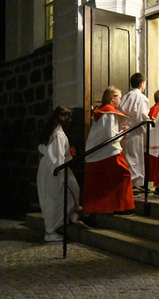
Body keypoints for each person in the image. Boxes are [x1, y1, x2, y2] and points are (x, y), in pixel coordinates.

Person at [81, 86, 135, 226]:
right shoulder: (109, 113)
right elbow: (109, 136)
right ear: (112, 98)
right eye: (119, 97)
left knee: (99, 184)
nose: (120, 99)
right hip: (109, 152)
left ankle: (95, 212)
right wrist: (123, 134)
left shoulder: (100, 111)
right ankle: (122, 207)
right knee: (124, 175)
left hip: (95, 152)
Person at [37, 105, 80, 242]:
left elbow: (44, 148)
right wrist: (59, 175)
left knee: (54, 199)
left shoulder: (52, 131)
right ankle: (51, 230)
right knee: (58, 198)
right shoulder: (58, 134)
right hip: (55, 170)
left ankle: (63, 221)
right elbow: (57, 156)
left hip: (48, 168)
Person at [118, 73, 150, 195]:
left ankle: (130, 183)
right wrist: (149, 124)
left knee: (128, 157)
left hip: (125, 130)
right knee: (134, 157)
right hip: (135, 131)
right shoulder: (141, 98)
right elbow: (142, 117)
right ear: (142, 83)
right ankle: (133, 184)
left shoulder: (126, 96)